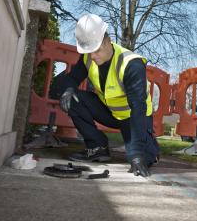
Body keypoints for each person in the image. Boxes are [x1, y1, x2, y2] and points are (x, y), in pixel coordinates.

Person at [58, 14, 159, 177]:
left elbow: (138, 109)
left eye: (96, 50)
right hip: (109, 112)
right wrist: (68, 89)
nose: (92, 56)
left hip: (133, 117)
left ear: (108, 41)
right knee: (73, 97)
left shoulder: (131, 64)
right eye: (89, 51)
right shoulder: (88, 58)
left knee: (140, 159)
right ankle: (97, 147)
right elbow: (72, 78)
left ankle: (150, 150)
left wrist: (137, 153)